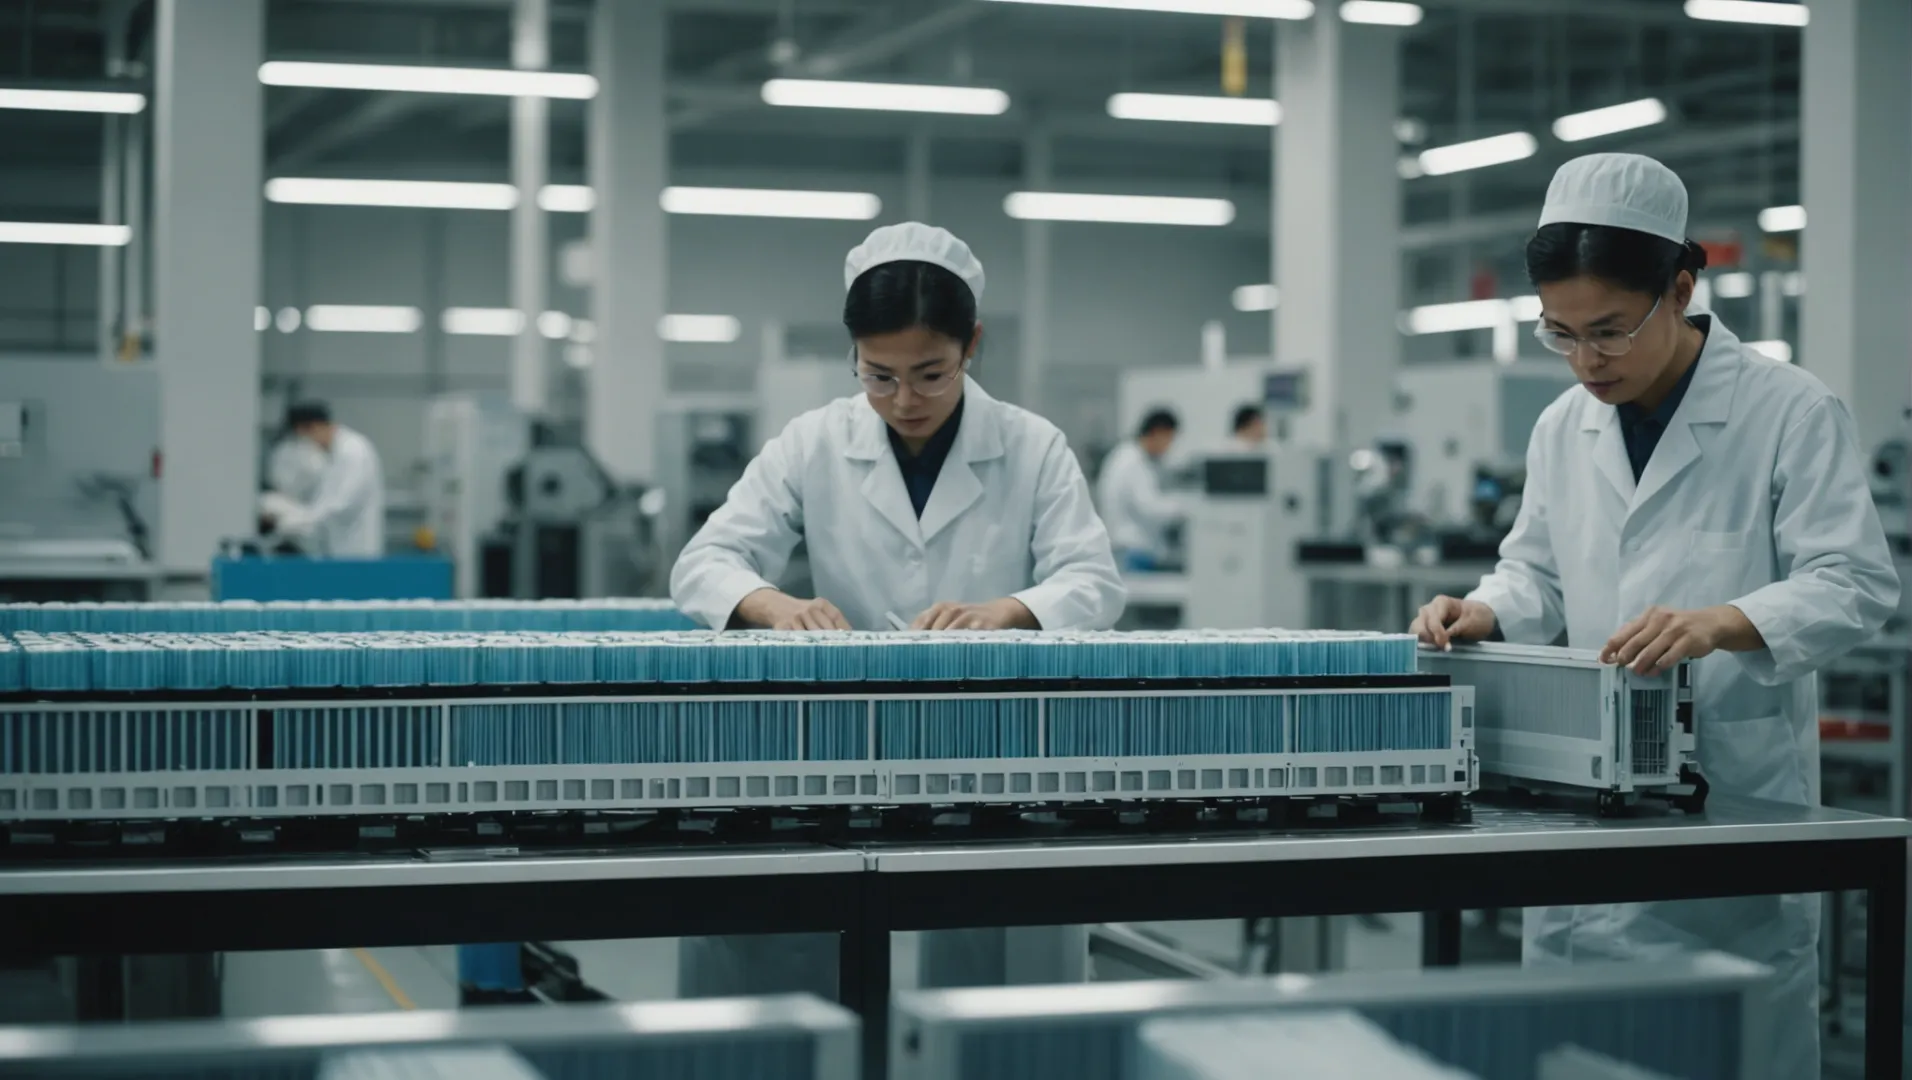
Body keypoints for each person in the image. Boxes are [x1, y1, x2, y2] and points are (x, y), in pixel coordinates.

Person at [1411, 153, 1900, 1080]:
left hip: (1732, 802)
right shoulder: (1565, 423)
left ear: (1680, 288)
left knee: (1723, 1049)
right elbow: (1537, 572)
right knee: (1577, 1049)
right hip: (1580, 810)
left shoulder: (1788, 410)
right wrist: (1483, 610)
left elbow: (1855, 579)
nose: (1588, 361)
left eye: (1609, 331)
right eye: (1560, 334)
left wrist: (1725, 622)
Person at [671, 221, 1125, 996]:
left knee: (1004, 968)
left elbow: (1093, 580)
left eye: (930, 374)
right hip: (839, 748)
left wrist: (1007, 611)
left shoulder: (1032, 446)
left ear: (971, 344)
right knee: (790, 947)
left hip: (995, 750)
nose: (903, 400)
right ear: (853, 354)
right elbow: (703, 563)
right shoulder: (812, 443)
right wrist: (773, 603)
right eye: (878, 376)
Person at [260, 402, 386, 557]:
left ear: (313, 428)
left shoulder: (353, 452)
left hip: (355, 549)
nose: (305, 444)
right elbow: (322, 500)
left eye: (303, 437)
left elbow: (339, 504)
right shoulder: (333, 454)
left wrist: (295, 520)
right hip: (337, 549)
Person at [1097, 409, 1185, 570]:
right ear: (1158, 433)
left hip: (1131, 549)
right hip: (1132, 551)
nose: (1169, 447)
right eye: (1169, 439)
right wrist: (1185, 508)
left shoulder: (1130, 457)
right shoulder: (1132, 462)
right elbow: (1149, 507)